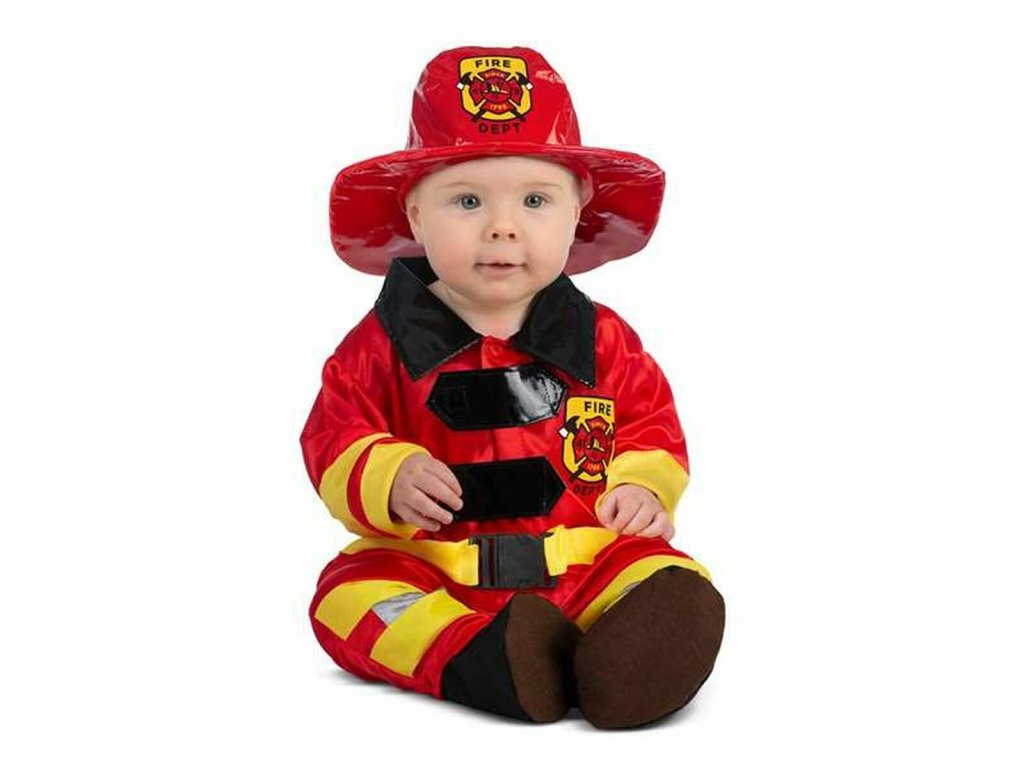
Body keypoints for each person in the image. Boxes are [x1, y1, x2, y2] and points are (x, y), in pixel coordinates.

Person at [301, 45, 725, 729]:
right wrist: (386, 471)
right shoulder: (377, 346)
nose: (502, 227)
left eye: (535, 200)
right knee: (348, 599)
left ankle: (635, 652)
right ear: (415, 215)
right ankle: (486, 655)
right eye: (467, 201)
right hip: (433, 568)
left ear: (577, 213)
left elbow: (650, 424)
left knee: (660, 572)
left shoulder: (604, 340)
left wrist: (643, 488)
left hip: (583, 560)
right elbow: (333, 433)